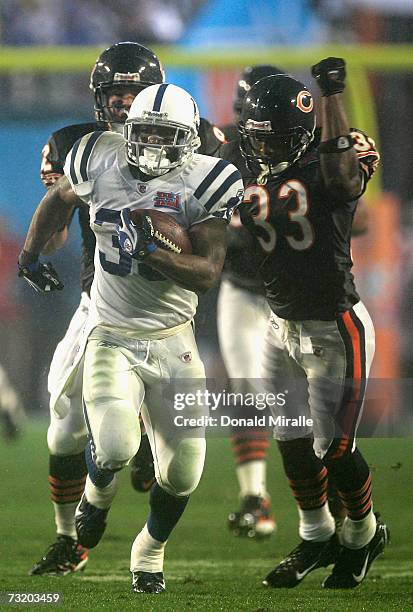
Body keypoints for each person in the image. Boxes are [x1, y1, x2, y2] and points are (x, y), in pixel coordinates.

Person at [18, 82, 244, 594]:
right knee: (116, 445)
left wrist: (153, 252)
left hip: (173, 339)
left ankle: (150, 550)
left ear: (189, 140)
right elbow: (58, 199)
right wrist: (28, 257)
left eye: (167, 136)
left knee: (184, 473)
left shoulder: (207, 180)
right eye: (145, 133)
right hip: (110, 333)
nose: (153, 146)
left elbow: (207, 271)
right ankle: (95, 497)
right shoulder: (98, 156)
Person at [221, 58, 388, 589]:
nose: (261, 148)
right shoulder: (250, 161)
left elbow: (343, 174)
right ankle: (315, 535)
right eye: (257, 138)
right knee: (291, 436)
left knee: (332, 446)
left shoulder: (329, 162)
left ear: (301, 132)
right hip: (279, 323)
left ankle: (362, 536)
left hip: (333, 327)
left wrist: (334, 95)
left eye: (273, 139)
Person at [219, 65, 284, 539]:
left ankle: (346, 505)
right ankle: (255, 496)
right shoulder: (226, 156)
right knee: (247, 393)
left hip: (297, 297)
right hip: (243, 288)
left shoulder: (306, 153)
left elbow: (357, 220)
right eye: (248, 115)